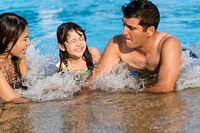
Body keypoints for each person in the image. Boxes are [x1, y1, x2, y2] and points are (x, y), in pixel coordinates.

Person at [88, 0, 184, 93]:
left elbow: (165, 87)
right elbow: (94, 80)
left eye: (131, 28)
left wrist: (128, 93)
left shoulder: (168, 44)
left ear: (150, 31)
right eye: (124, 25)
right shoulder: (118, 43)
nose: (124, 32)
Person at [0, 12, 31, 103]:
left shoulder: (19, 57)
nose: (29, 43)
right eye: (25, 39)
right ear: (6, 41)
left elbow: (29, 86)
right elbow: (12, 99)